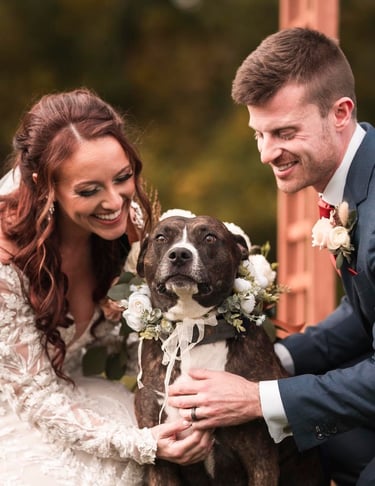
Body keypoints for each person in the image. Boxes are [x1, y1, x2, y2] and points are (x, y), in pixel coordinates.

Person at [168, 27, 375, 486]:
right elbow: (364, 313)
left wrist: (260, 397)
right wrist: (270, 358)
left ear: (341, 113)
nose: (266, 153)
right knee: (305, 445)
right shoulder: (358, 183)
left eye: (284, 132)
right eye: (258, 134)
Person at [0, 88, 212, 485]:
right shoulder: (5, 261)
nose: (115, 202)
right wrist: (144, 444)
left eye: (122, 178)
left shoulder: (128, 228)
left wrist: (187, 389)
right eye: (88, 190)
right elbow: (35, 398)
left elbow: (144, 332)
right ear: (44, 186)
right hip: (19, 410)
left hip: (84, 391)